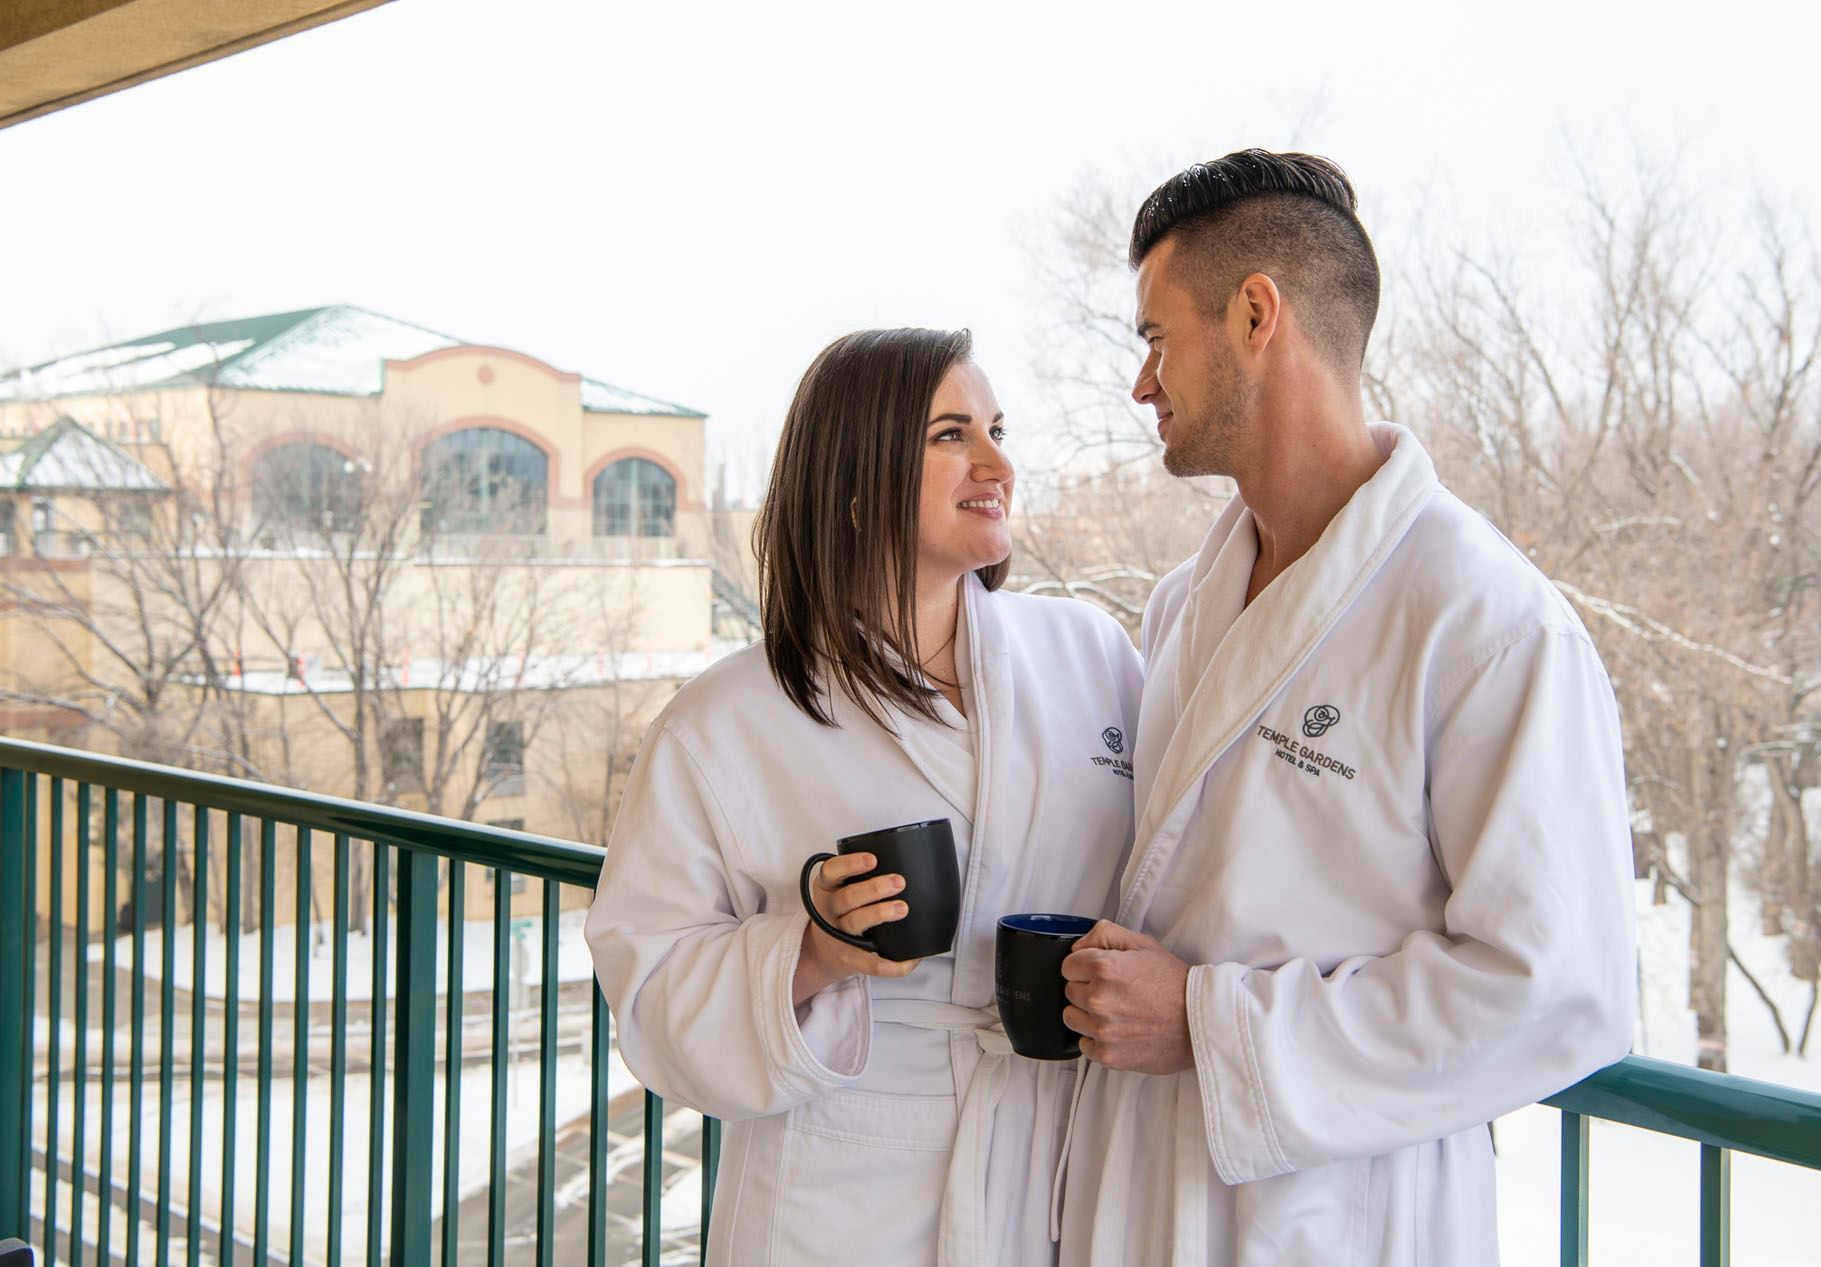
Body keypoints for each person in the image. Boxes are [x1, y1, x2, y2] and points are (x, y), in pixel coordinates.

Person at [1054, 150, 1637, 1266]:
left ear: (1255, 314)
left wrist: (1210, 1025)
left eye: (1155, 338)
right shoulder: (1183, 605)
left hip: (1335, 1214)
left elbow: (1558, 988)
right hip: (1143, 1191)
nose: (1142, 384)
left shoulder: (1486, 622)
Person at [585, 328, 1143, 1266]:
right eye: (951, 434)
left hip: (1058, 1163)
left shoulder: (1089, 655)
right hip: (837, 1196)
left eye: (998, 430)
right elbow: (648, 987)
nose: (998, 463)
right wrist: (810, 955)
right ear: (855, 478)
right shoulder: (728, 719)